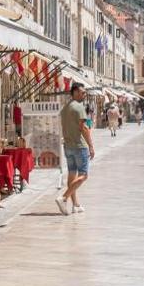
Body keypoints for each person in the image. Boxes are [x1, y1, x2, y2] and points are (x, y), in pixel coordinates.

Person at [58, 82, 95, 215]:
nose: (84, 94)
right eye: (82, 92)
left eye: (84, 92)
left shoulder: (65, 108)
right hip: (79, 146)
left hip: (68, 146)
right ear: (74, 92)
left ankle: (76, 205)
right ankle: (63, 197)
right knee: (83, 175)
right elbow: (84, 128)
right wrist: (91, 146)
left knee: (72, 175)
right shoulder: (79, 107)